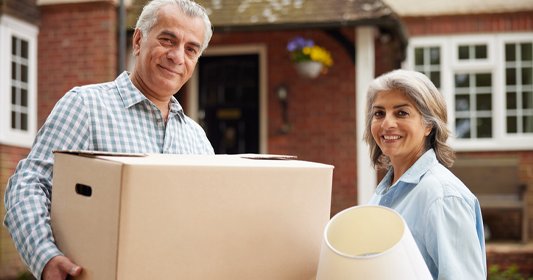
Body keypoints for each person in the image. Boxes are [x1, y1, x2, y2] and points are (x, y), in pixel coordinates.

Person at [3, 0, 214, 279]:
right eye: (167, 40)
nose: (177, 56)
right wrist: (46, 257)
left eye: (191, 49)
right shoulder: (86, 106)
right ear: (138, 40)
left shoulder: (198, 139)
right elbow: (28, 185)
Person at [363, 69, 486, 279]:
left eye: (402, 113)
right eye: (379, 113)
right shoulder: (384, 193)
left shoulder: (443, 197)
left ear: (429, 124)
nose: (387, 123)